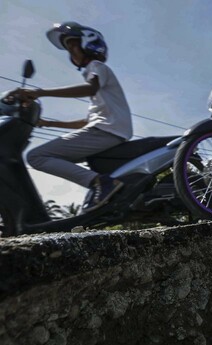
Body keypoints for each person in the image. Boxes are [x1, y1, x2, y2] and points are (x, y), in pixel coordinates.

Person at [11, 22, 132, 212]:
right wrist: (48, 123)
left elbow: (89, 88)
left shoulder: (96, 66)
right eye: (69, 48)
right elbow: (87, 123)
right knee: (47, 155)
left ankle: (100, 182)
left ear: (88, 44)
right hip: (108, 130)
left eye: (73, 45)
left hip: (107, 131)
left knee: (37, 156)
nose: (71, 52)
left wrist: (39, 92)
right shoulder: (101, 92)